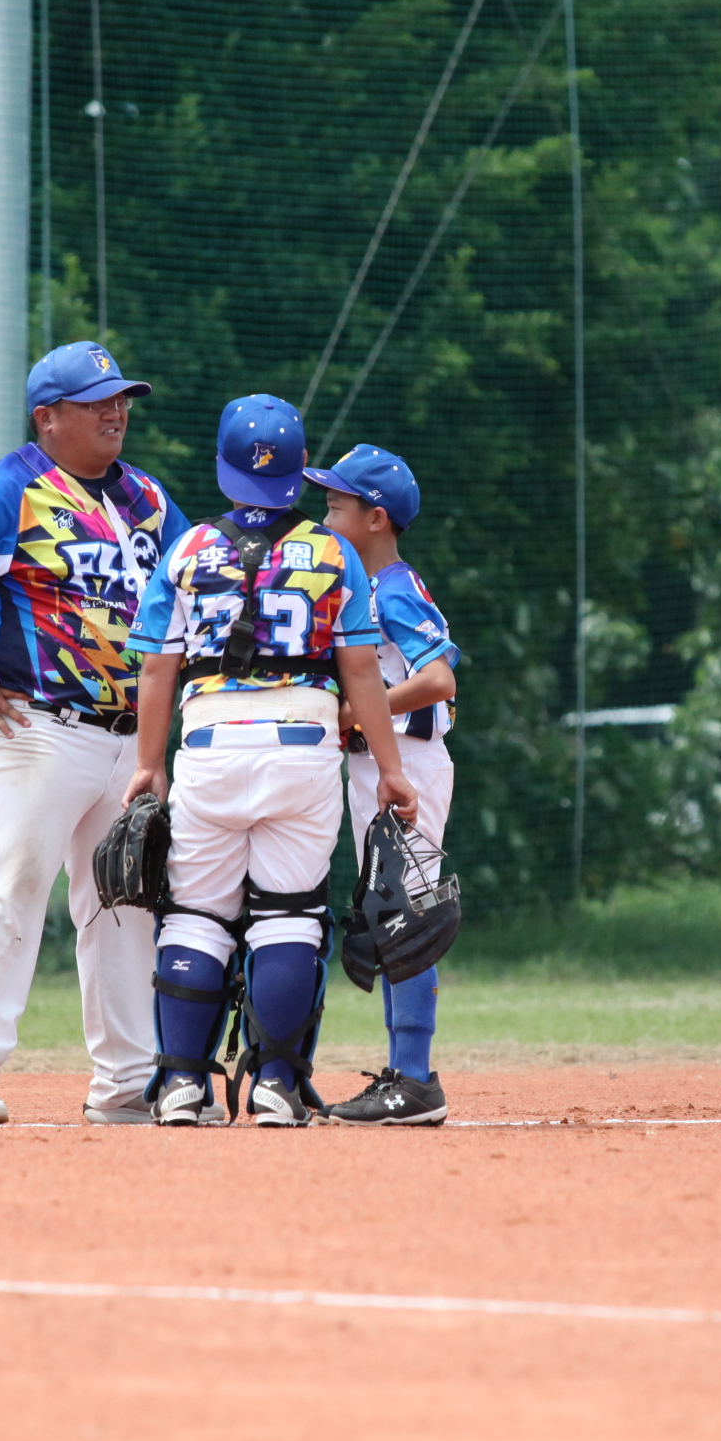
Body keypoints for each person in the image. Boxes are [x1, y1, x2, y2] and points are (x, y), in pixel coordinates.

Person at [0, 340, 186, 1126]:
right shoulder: (8, 489)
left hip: (129, 740)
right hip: (35, 727)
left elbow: (191, 591)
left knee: (126, 905)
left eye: (120, 399)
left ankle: (126, 1085)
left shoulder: (148, 499)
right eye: (96, 403)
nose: (116, 412)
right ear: (47, 417)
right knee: (10, 892)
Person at [122, 395, 417, 1126]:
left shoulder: (188, 548)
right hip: (303, 746)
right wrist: (391, 768)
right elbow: (360, 672)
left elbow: (157, 668)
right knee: (290, 916)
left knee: (196, 915)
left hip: (210, 744)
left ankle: (182, 1084)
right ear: (299, 469)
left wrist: (148, 763)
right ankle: (276, 1085)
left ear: (224, 468)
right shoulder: (333, 552)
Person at [306, 444, 457, 1125]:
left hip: (408, 764)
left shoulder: (392, 587)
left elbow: (439, 680)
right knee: (389, 915)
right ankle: (405, 1075)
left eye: (336, 505)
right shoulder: (363, 588)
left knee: (406, 917)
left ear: (375, 518)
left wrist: (358, 711)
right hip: (380, 765)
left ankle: (415, 1080)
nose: (325, 517)